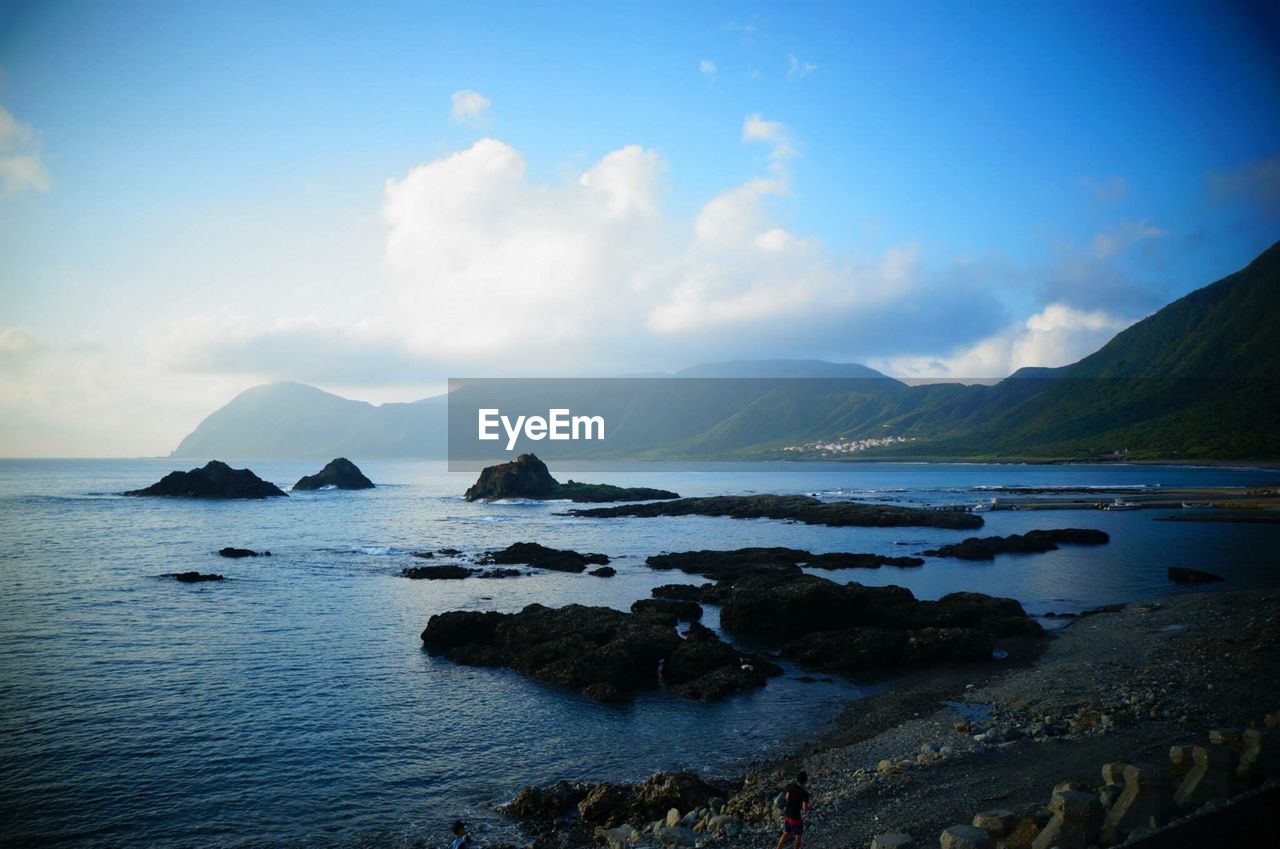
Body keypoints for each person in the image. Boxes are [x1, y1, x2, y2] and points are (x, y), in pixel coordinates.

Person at [774, 771, 811, 849]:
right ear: (805, 781)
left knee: (786, 832)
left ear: (797, 779)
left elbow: (787, 797)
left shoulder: (791, 786)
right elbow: (805, 809)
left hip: (787, 814)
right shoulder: (805, 793)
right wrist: (810, 806)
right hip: (795, 817)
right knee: (798, 834)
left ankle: (778, 847)